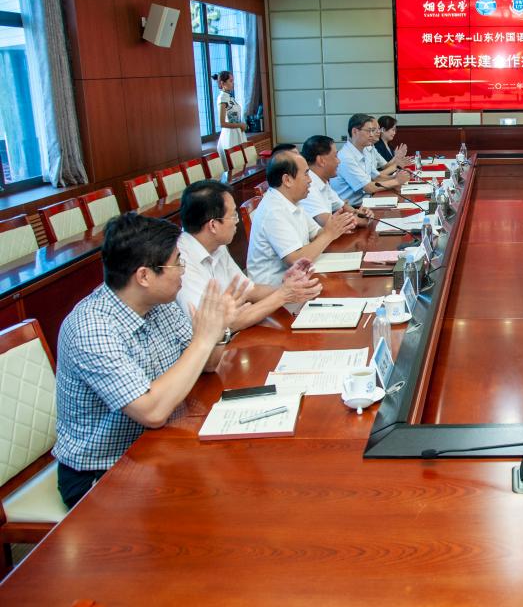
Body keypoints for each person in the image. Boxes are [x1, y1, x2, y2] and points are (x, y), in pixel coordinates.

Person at [53, 213, 241, 507]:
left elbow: (206, 364)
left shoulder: (159, 303)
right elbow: (152, 412)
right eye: (177, 263)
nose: (183, 270)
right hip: (104, 468)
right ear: (144, 276)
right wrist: (203, 339)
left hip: (158, 445)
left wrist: (218, 330)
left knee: (233, 477)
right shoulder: (91, 328)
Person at [177, 180, 322, 330]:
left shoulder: (215, 244)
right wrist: (283, 295)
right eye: (233, 216)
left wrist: (294, 289)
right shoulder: (181, 262)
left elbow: (249, 290)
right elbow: (215, 327)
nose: (237, 221)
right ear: (213, 225)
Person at [247, 150, 358, 285]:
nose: (310, 180)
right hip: (275, 289)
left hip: (299, 277)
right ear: (287, 180)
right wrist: (329, 234)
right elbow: (296, 260)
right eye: (306, 174)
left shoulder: (293, 201)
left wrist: (336, 226)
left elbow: (317, 234)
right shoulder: (273, 210)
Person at [331, 114, 411, 206]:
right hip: (353, 208)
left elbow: (376, 177)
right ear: (355, 131)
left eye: (373, 131)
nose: (372, 135)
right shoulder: (346, 157)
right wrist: (396, 181)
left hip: (369, 200)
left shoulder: (365, 150)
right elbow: (368, 187)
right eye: (369, 131)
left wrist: (397, 177)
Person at [297, 135, 374, 227]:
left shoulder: (322, 181)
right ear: (321, 161)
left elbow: (343, 207)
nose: (339, 161)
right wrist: (358, 220)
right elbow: (328, 222)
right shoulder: (309, 186)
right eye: (335, 156)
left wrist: (361, 213)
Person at [213, 71, 247, 166]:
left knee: (242, 164)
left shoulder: (230, 97)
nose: (233, 83)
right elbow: (222, 123)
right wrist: (240, 125)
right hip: (230, 136)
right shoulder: (223, 98)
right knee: (235, 165)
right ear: (223, 83)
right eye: (230, 81)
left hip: (237, 133)